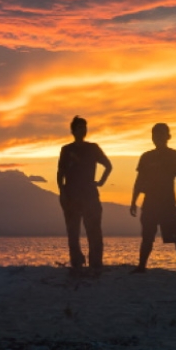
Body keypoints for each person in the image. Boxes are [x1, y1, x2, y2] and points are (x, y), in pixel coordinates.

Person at [129, 123, 176, 273]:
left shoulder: (175, 156)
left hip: (168, 203)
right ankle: (142, 266)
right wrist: (133, 201)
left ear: (167, 136)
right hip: (150, 202)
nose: (158, 138)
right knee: (147, 236)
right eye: (155, 135)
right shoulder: (146, 157)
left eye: (161, 134)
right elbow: (139, 180)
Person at [57, 116, 112, 273]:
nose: (83, 130)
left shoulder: (93, 148)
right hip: (71, 194)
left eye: (84, 128)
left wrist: (101, 182)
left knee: (94, 230)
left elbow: (108, 165)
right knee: (73, 231)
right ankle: (76, 261)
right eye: (79, 128)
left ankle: (95, 263)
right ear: (73, 131)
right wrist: (62, 192)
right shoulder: (66, 150)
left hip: (89, 194)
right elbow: (60, 173)